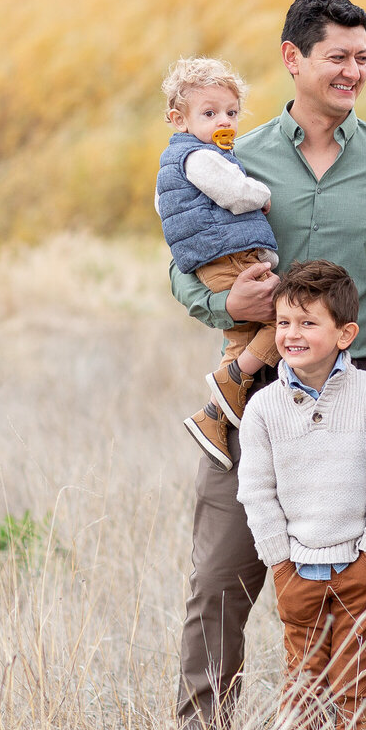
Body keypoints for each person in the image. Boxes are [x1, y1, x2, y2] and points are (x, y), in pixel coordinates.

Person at [169, 0, 366, 730]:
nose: (354, 71)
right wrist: (228, 306)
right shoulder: (228, 160)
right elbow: (184, 273)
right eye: (338, 57)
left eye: (363, 59)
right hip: (256, 398)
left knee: (349, 590)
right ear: (293, 58)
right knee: (219, 581)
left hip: (364, 399)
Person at [236, 260, 366, 730]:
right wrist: (280, 565)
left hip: (358, 566)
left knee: (355, 683)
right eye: (284, 323)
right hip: (298, 572)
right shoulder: (263, 408)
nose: (292, 334)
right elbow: (257, 493)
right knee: (302, 684)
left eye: (308, 323)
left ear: (345, 333)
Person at [155, 57, 279, 471]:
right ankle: (229, 381)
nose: (223, 121)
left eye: (231, 112)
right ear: (179, 119)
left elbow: (166, 210)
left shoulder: (171, 164)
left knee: (241, 339)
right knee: (286, 317)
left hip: (209, 260)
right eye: (209, 114)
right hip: (228, 258)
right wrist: (261, 194)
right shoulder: (203, 157)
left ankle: (213, 417)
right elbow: (234, 193)